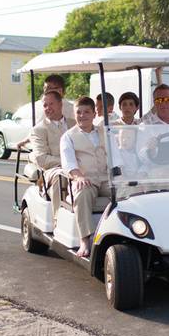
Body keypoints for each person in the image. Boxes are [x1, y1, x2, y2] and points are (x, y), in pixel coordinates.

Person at [60, 97, 110, 258]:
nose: (82, 115)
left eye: (86, 112)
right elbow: (69, 163)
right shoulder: (68, 136)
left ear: (94, 113)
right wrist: (78, 177)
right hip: (85, 179)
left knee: (131, 192)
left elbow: (116, 156)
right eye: (78, 112)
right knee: (81, 194)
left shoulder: (104, 132)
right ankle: (85, 240)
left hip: (105, 178)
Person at [28, 90, 75, 217]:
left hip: (80, 167)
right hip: (54, 170)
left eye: (51, 104)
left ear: (60, 104)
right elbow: (41, 159)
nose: (48, 108)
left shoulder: (75, 124)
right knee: (60, 179)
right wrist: (69, 163)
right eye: (45, 105)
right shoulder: (39, 129)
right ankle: (58, 221)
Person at [16, 74, 74, 150]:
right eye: (45, 89)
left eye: (48, 89)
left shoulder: (72, 110)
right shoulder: (44, 107)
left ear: (60, 90)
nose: (45, 92)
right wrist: (25, 141)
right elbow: (38, 128)